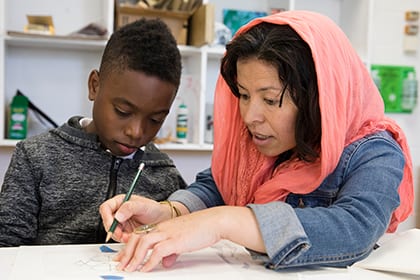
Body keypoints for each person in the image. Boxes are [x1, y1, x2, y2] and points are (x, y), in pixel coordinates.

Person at [99, 11, 414, 272]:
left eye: (270, 99)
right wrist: (169, 212)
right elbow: (217, 186)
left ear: (319, 99)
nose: (250, 116)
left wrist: (223, 221)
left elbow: (353, 229)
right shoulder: (259, 141)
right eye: (245, 96)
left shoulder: (375, 151)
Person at [0, 18, 187, 246]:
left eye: (155, 119)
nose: (136, 132)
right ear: (94, 86)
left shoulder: (164, 174)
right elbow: (7, 249)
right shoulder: (35, 158)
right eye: (122, 111)